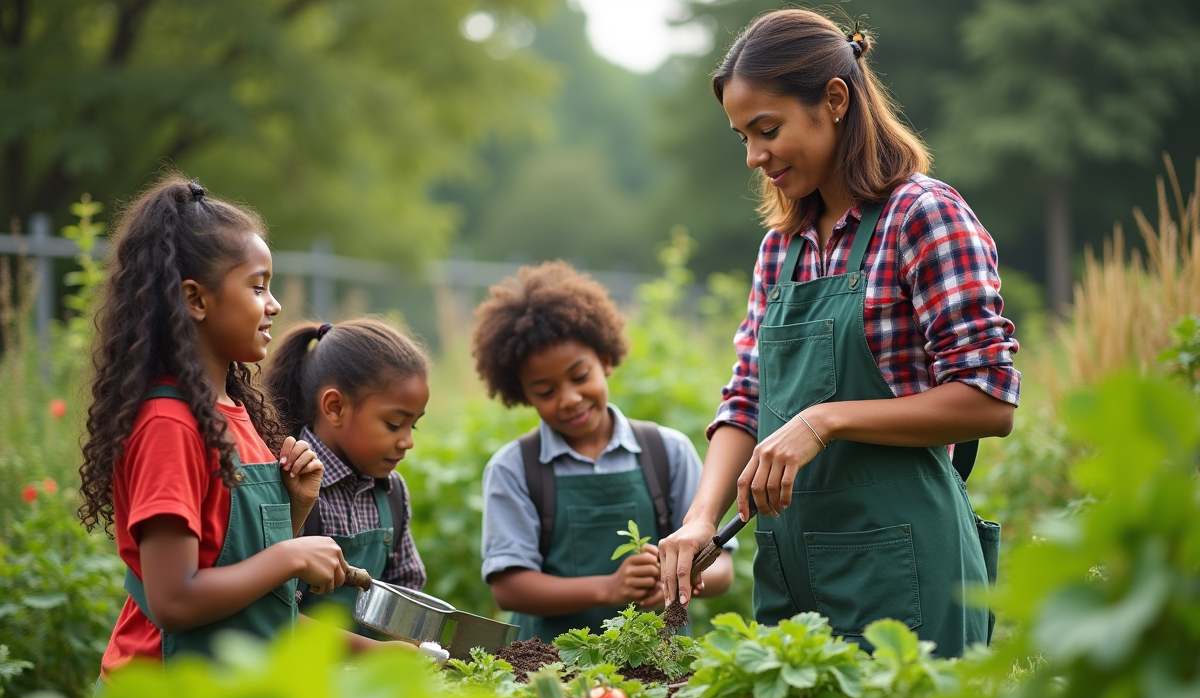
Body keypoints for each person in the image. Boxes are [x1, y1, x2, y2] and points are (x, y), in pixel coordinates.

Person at [657, 9, 1018, 658]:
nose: (753, 156)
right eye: (742, 136)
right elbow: (745, 399)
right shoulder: (782, 248)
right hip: (793, 571)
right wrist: (700, 520)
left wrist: (825, 420)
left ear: (834, 101)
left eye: (767, 130)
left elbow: (988, 400)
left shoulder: (923, 216)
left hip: (905, 572)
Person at [77, 176, 351, 698]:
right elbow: (174, 598)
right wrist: (294, 555)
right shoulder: (169, 425)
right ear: (195, 299)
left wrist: (295, 509)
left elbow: (233, 566)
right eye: (257, 287)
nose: (274, 305)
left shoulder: (235, 413)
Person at [472, 261, 735, 641]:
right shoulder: (514, 469)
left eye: (580, 376)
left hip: (662, 667)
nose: (570, 399)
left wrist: (685, 577)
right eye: (545, 391)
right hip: (551, 669)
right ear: (522, 393)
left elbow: (722, 565)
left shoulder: (667, 452)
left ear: (606, 360)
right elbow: (509, 587)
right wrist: (608, 589)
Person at [264, 318, 430, 635]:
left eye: (414, 425)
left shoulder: (391, 493)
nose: (407, 441)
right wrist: (375, 652)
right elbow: (269, 612)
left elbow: (406, 590)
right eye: (394, 424)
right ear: (335, 407)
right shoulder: (286, 482)